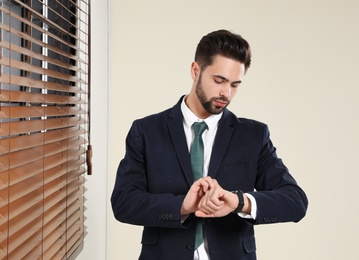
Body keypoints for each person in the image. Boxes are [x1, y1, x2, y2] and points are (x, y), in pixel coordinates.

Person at [111, 29, 308, 260]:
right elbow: (124, 202)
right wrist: (181, 206)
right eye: (219, 80)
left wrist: (238, 201)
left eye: (235, 85)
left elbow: (295, 201)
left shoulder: (253, 135)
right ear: (196, 70)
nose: (226, 93)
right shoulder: (146, 131)